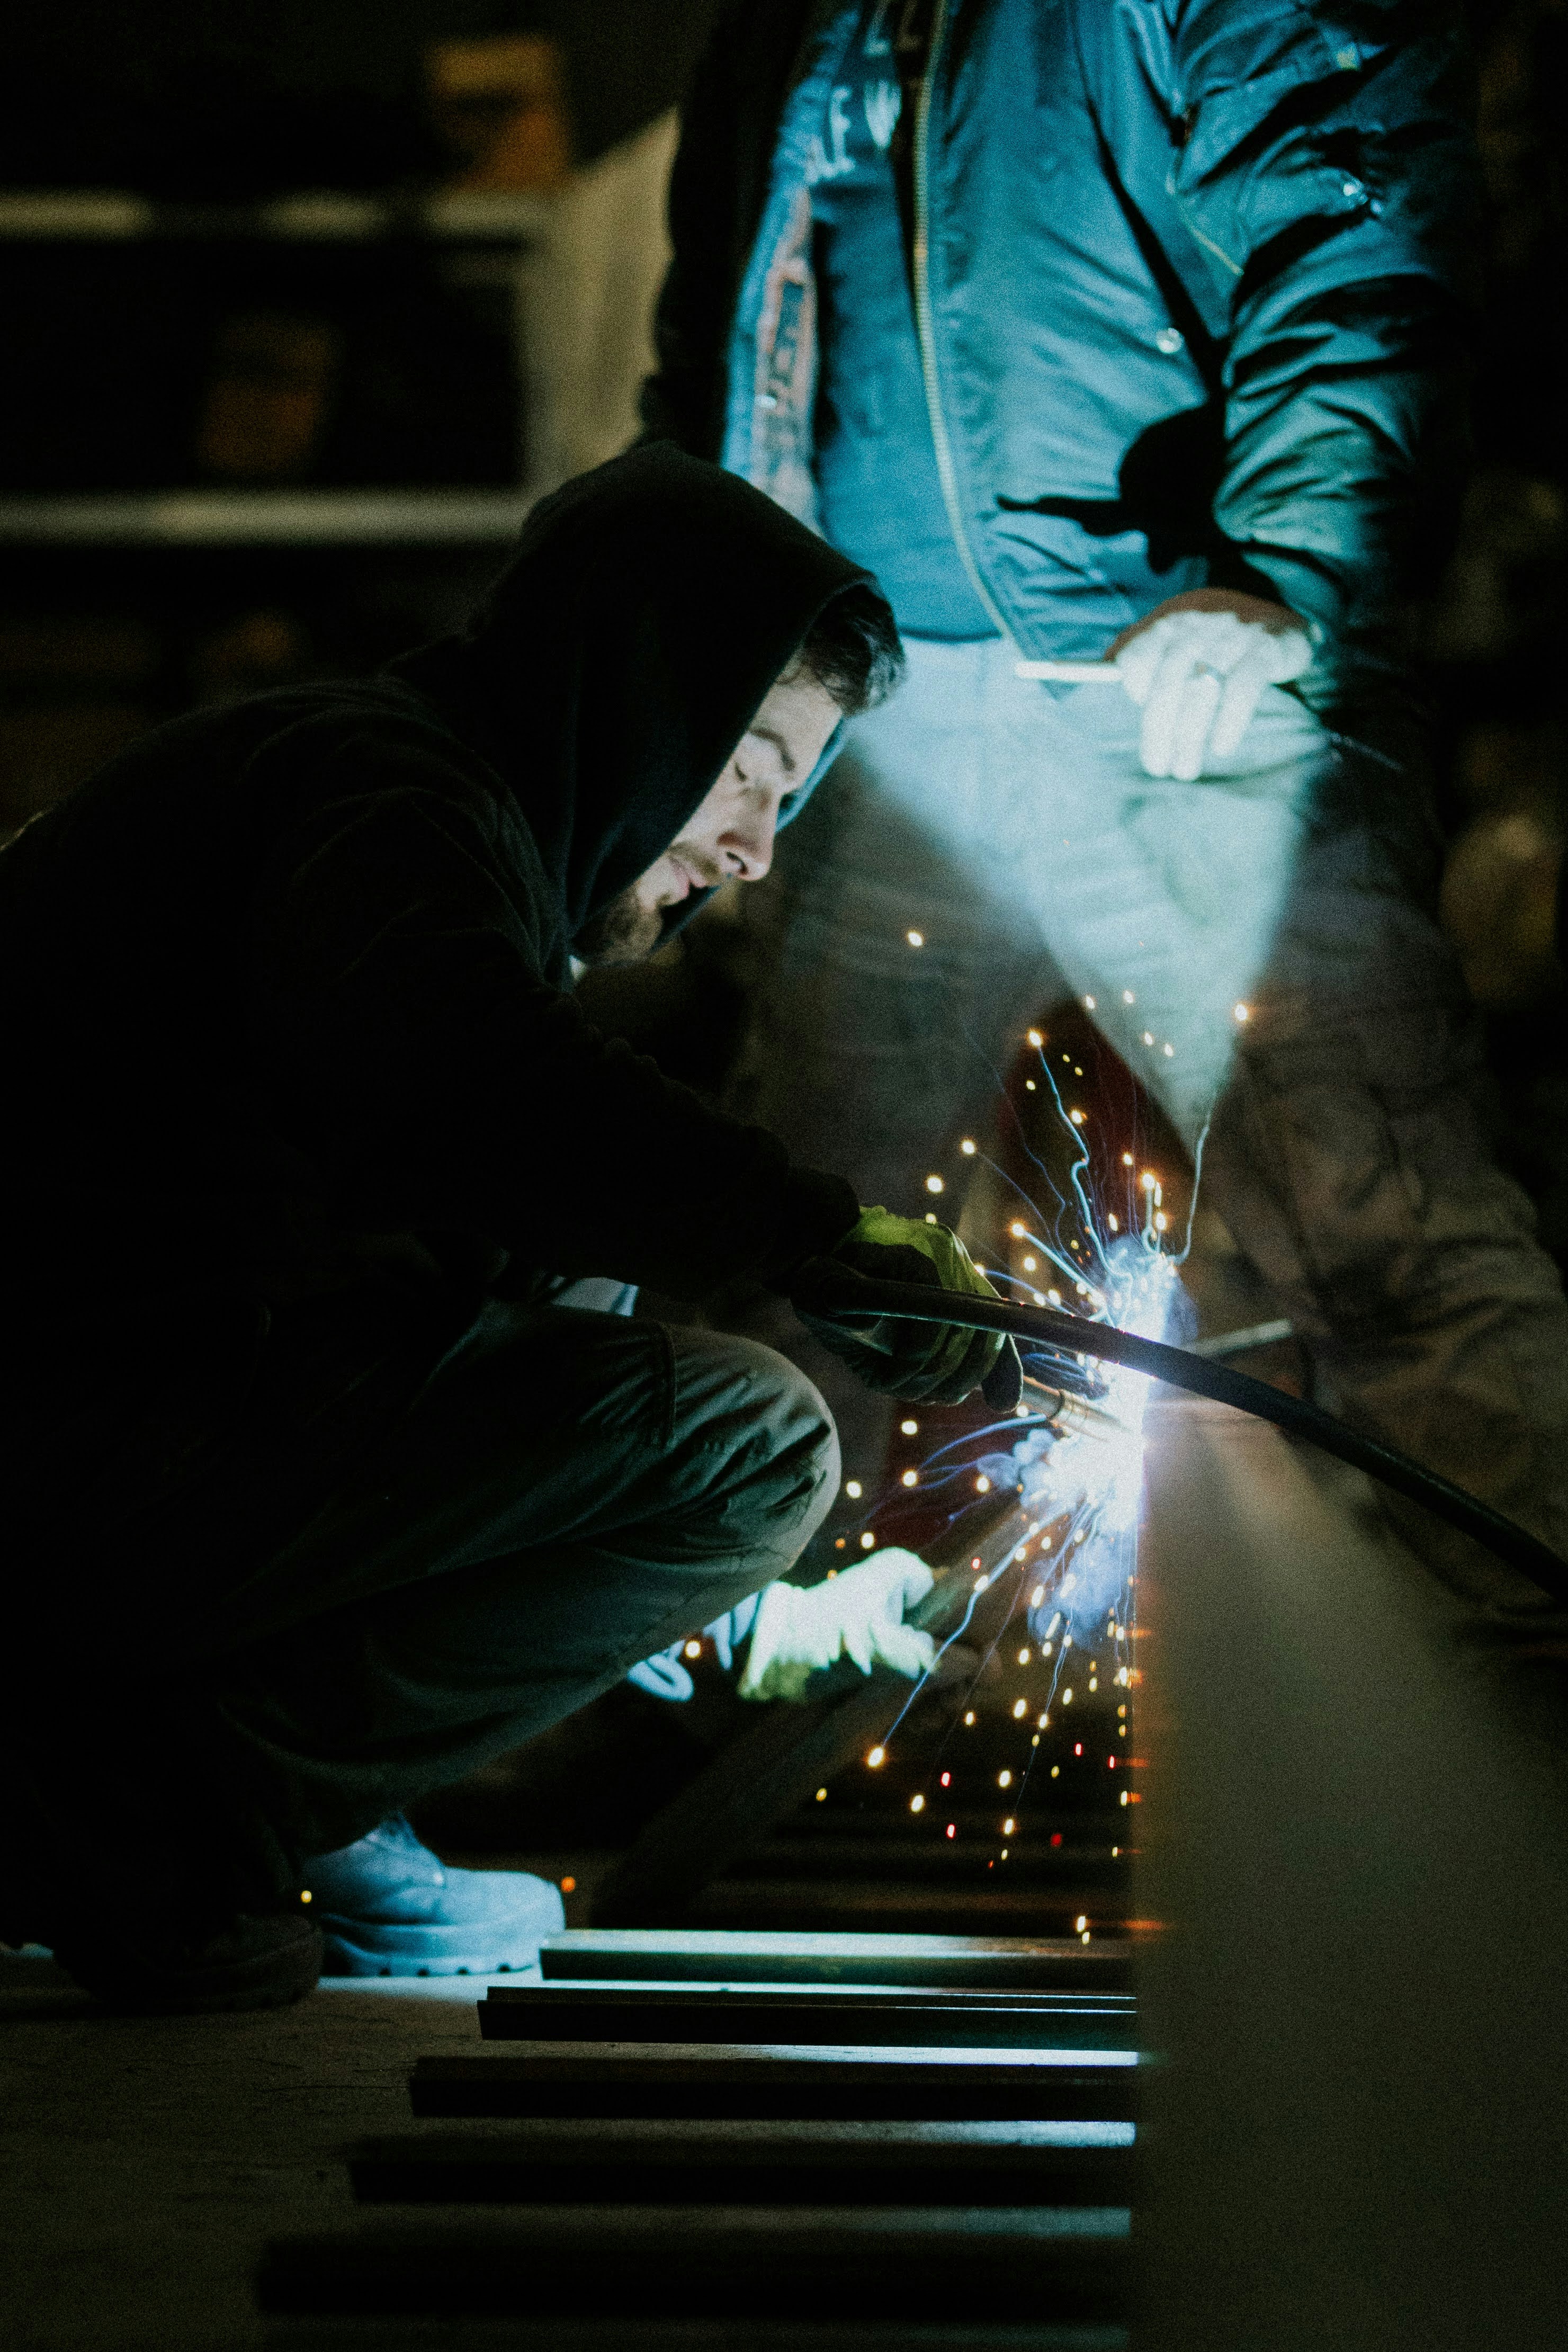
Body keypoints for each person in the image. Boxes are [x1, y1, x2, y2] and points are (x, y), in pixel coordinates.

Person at [0, 446, 1016, 2014]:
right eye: (752, 762)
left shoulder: (409, 817)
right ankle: (155, 1803)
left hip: (98, 1423)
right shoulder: (380, 795)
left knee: (569, 1263)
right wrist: (806, 1232)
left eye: (790, 799)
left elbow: (458, 1283)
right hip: (53, 1435)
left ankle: (247, 1798)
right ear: (640, 690)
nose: (753, 846)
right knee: (755, 1438)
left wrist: (765, 1624)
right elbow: (470, 1087)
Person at [640, 0, 1568, 1599]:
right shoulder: (782, 17)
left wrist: (1282, 572)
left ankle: (1522, 1671)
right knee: (807, 1234)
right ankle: (730, 1648)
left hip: (1179, 680)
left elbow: (1351, 227)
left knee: (1369, 1227)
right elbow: (718, 322)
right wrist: (696, 656)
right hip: (886, 702)